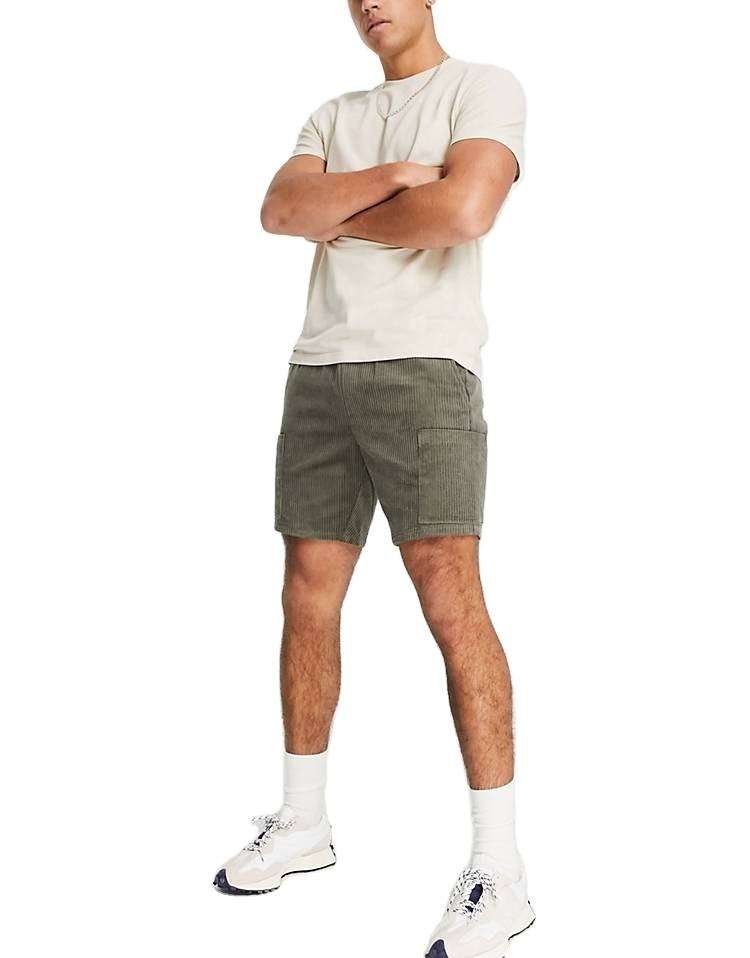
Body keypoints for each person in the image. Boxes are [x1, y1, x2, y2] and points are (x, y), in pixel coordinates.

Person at [214, 2, 532, 955]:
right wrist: (397, 180)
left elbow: (465, 212)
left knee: (451, 597)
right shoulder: (333, 113)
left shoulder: (482, 88)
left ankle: (500, 869)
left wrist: (341, 214)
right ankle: (303, 821)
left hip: (426, 369)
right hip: (318, 372)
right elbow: (280, 212)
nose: (368, 3)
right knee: (305, 594)